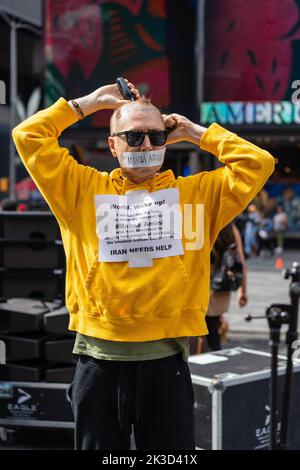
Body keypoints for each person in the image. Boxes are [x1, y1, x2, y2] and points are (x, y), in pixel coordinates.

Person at [12, 80, 275, 450]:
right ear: (113, 145)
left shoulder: (196, 195)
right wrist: (87, 104)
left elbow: (258, 163)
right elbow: (28, 135)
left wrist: (198, 133)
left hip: (167, 362)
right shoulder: (79, 189)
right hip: (98, 360)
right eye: (133, 137)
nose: (147, 145)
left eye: (156, 137)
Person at [205, 223, 248, 351]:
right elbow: (240, 262)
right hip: (220, 286)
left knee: (206, 335)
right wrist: (242, 290)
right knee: (213, 333)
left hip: (202, 285)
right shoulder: (230, 227)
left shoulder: (200, 219)